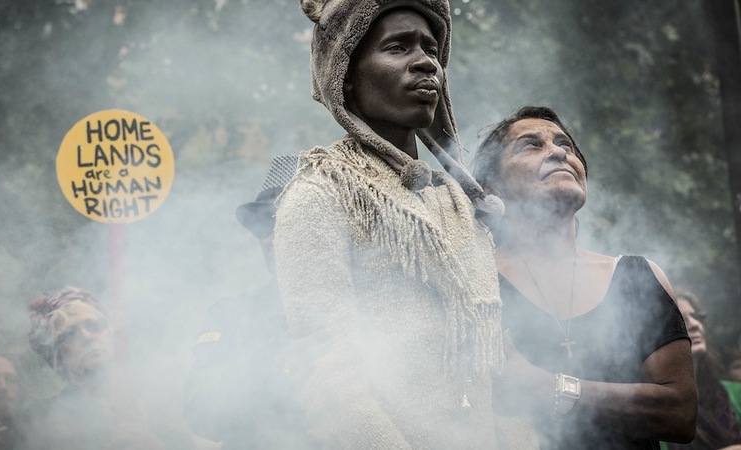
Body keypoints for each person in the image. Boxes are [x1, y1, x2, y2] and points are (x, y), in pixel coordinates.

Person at [274, 1, 533, 448]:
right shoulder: (322, 191)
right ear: (346, 74)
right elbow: (327, 379)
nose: (425, 62)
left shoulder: (457, 201)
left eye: (431, 49)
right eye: (397, 47)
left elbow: (492, 375)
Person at [472, 105, 698, 449]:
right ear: (492, 187)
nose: (559, 151)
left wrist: (550, 388)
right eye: (531, 145)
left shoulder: (637, 276)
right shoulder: (475, 282)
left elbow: (681, 414)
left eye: (566, 145)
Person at [183, 154, 310, 449]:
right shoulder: (231, 315)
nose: (270, 239)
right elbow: (201, 413)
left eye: (284, 221)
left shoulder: (361, 307)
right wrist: (268, 357)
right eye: (263, 227)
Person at [16, 286, 167, 450]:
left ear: (110, 333)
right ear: (56, 356)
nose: (87, 337)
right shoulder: (39, 418)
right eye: (70, 334)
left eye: (94, 326)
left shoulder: (157, 405)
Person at [663, 291, 741, 450]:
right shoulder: (654, 410)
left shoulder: (737, 393)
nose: (695, 324)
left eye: (697, 317)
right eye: (683, 319)